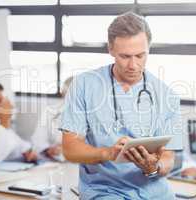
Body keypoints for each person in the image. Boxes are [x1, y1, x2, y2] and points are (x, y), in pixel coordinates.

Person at [60, 12, 182, 199]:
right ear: (110, 49)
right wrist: (108, 153)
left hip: (155, 191)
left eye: (140, 55)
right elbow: (70, 149)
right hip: (106, 191)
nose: (133, 65)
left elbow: (168, 158)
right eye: (125, 56)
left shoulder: (167, 95)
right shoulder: (83, 86)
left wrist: (154, 167)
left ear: (149, 48)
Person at [31, 77, 73, 160]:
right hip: (56, 162)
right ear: (63, 94)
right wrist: (48, 150)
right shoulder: (49, 112)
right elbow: (38, 139)